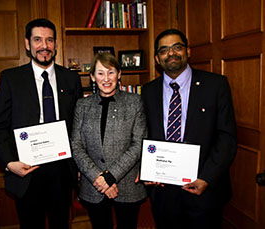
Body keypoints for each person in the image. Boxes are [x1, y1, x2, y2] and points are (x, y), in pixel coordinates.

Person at [0, 18, 82, 229]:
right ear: (27, 43)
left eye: (50, 40)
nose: (44, 46)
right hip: (26, 171)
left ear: (56, 45)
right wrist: (9, 163)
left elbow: (78, 126)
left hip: (62, 172)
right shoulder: (11, 79)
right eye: (38, 39)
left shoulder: (71, 79)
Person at [141, 28, 237, 229]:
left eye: (177, 47)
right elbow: (143, 135)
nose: (171, 53)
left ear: (188, 51)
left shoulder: (216, 85)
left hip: (203, 190)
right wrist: (147, 169)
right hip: (163, 191)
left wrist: (206, 178)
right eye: (164, 50)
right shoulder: (148, 91)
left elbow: (226, 138)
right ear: (158, 59)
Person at [71, 52, 147, 229]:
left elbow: (138, 144)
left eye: (111, 72)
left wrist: (110, 177)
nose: (106, 78)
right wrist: (99, 178)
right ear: (92, 77)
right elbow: (76, 145)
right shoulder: (82, 106)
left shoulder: (135, 102)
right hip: (93, 185)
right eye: (100, 73)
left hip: (127, 186)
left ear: (119, 74)